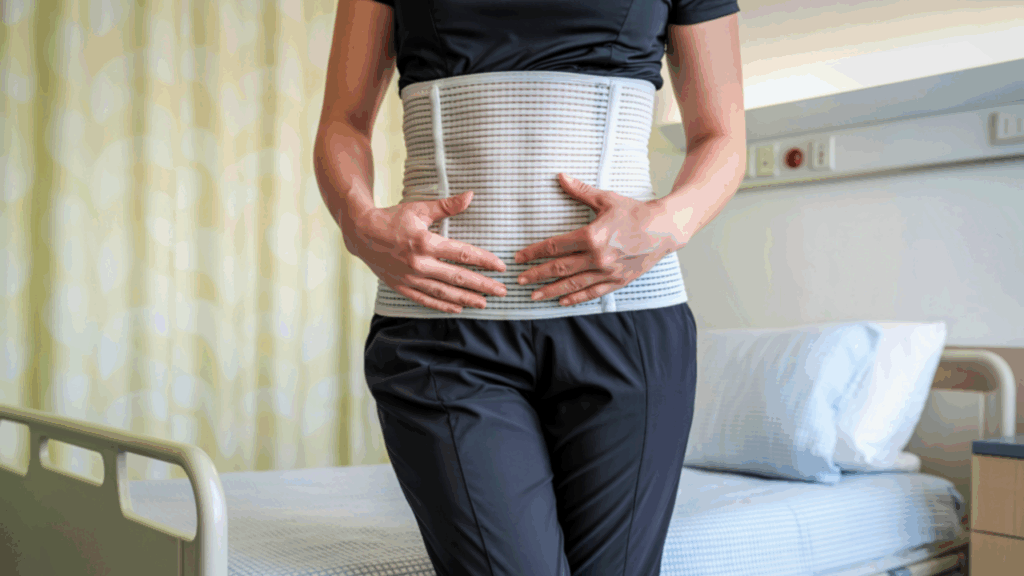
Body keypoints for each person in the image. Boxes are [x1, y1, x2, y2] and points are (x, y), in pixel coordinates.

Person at [313, 0, 746, 574]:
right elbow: (343, 122)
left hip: (626, 323)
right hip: (443, 326)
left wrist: (668, 222)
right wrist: (359, 221)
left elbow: (721, 135)